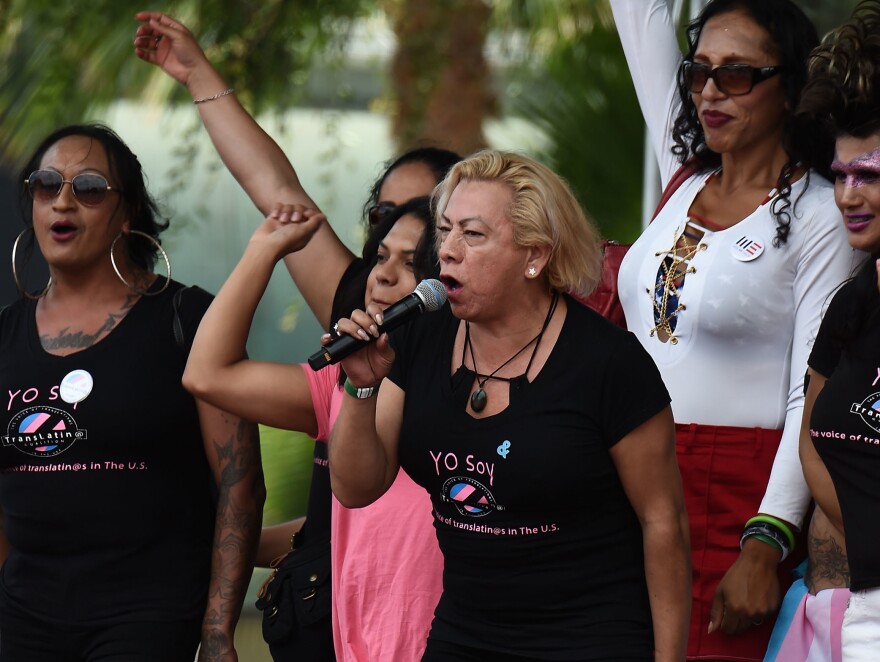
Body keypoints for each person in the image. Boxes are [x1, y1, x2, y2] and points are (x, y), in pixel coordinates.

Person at [133, 12, 460, 661]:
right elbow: (278, 196)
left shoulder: (499, 366)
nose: (393, 250)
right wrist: (197, 74)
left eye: (424, 225)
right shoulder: (350, 350)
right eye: (383, 220)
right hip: (332, 628)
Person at [329, 149, 691, 661]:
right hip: (467, 630)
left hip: (590, 636)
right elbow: (355, 486)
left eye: (472, 235)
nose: (447, 251)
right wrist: (361, 388)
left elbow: (664, 523)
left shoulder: (607, 363)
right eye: (445, 228)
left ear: (534, 256)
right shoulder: (422, 338)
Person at [609, 0, 858, 659]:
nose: (711, 91)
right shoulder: (682, 174)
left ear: (791, 89)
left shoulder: (819, 216)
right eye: (698, 72)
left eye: (739, 74)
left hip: (734, 497)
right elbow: (639, 14)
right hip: (619, 479)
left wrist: (767, 538)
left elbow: (812, 392)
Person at [0, 123, 264, 662]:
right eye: (47, 184)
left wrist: (216, 632)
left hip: (147, 614)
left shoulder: (188, 320)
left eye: (90, 187)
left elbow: (241, 486)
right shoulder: (4, 333)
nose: (64, 201)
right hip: (23, 617)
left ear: (127, 214)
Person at [793, 1, 880, 657]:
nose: (848, 195)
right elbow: (815, 438)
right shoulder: (853, 302)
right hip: (858, 615)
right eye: (841, 175)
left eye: (869, 176)